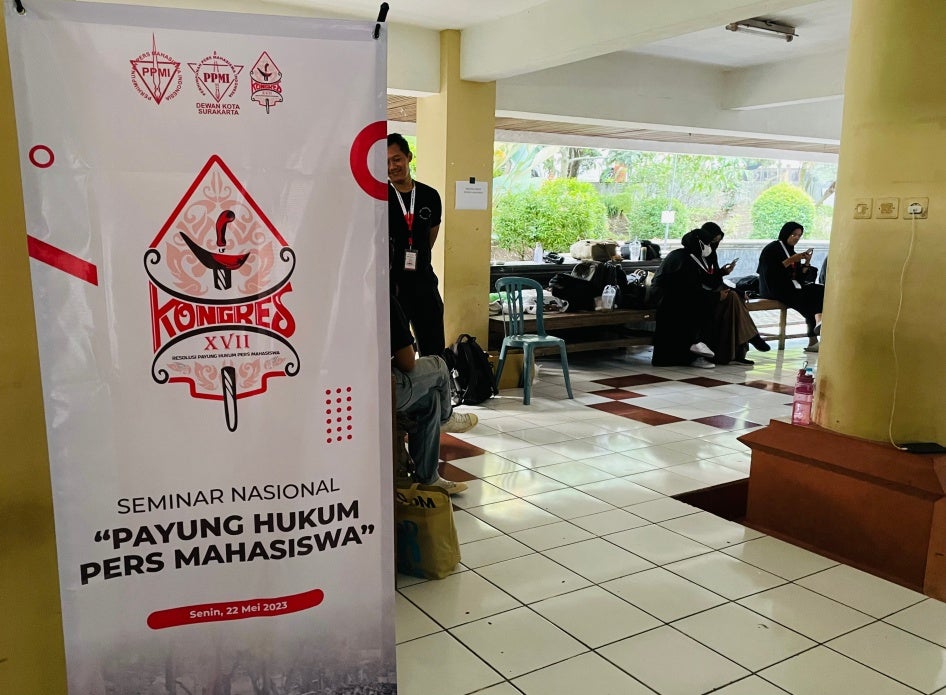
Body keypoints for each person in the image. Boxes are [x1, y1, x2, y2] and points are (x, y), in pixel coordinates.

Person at [651, 222, 770, 368]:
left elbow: (708, 281)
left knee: (733, 298)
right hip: (671, 300)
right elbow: (687, 290)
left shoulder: (697, 256)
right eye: (709, 243)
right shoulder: (682, 258)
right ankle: (748, 338)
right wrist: (715, 297)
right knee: (729, 301)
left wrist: (724, 282)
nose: (712, 246)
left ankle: (736, 350)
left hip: (690, 297)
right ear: (700, 243)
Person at [391, 296, 477, 494]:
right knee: (438, 365)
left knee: (428, 399)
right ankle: (446, 418)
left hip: (350, 384)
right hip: (380, 388)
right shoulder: (384, 297)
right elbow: (407, 361)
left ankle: (428, 479)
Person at [388, 133, 445, 357]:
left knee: (433, 352)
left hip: (423, 284)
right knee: (399, 358)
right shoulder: (379, 198)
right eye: (386, 162)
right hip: (393, 289)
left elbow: (429, 241)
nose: (392, 166)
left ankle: (437, 392)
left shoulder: (430, 196)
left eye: (397, 159)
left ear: (409, 157)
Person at [757, 221, 824, 353]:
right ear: (786, 233)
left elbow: (799, 277)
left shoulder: (790, 251)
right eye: (794, 234)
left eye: (799, 235)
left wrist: (806, 263)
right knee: (807, 300)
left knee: (819, 290)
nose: (796, 238)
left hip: (791, 287)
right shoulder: (772, 249)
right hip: (773, 288)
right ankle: (814, 333)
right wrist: (790, 261)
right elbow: (769, 273)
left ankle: (817, 327)